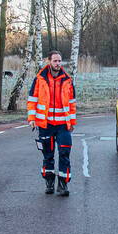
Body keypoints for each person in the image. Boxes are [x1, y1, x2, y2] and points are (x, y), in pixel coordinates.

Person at [27, 51, 77, 196]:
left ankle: (63, 184)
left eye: (59, 61)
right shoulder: (39, 79)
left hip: (63, 126)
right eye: (55, 61)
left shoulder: (67, 80)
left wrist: (72, 122)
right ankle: (49, 182)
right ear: (49, 61)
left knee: (64, 154)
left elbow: (72, 103)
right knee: (48, 156)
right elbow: (32, 100)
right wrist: (32, 119)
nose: (58, 63)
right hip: (45, 125)